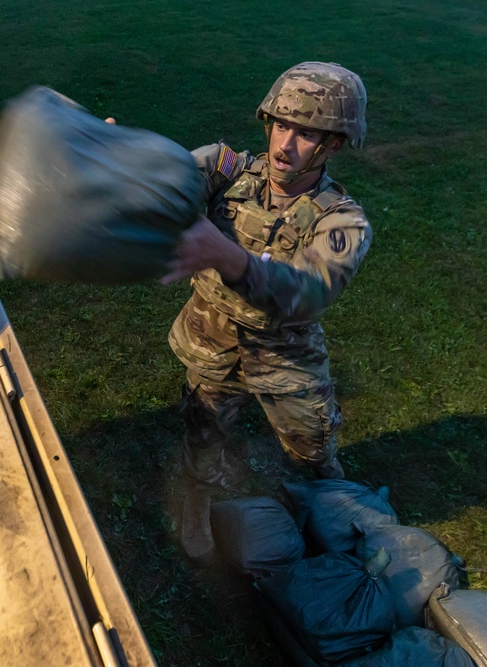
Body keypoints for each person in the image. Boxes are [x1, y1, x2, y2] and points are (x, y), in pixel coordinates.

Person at [161, 62, 372, 563]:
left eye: (304, 133)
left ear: (333, 144)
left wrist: (224, 253)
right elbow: (168, 180)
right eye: (280, 125)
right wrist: (123, 161)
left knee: (314, 449)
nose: (283, 146)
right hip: (212, 343)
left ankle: (335, 512)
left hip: (286, 357)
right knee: (203, 432)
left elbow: (307, 293)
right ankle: (197, 500)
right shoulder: (228, 170)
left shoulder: (342, 221)